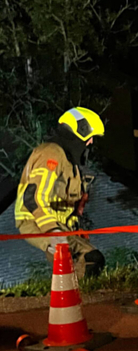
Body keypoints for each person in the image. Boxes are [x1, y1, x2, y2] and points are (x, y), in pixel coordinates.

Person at [14, 107, 107, 278]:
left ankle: (70, 287)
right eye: (90, 137)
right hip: (37, 220)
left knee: (90, 260)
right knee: (87, 261)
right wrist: (53, 232)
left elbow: (69, 202)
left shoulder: (70, 163)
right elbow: (33, 197)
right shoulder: (51, 153)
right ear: (79, 131)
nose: (91, 142)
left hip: (59, 225)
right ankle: (68, 290)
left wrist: (75, 227)